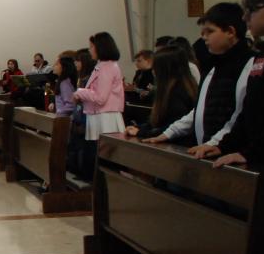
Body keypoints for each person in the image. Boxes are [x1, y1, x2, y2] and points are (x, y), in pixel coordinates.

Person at [142, 3, 254, 152]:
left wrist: (215, 143)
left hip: (228, 150)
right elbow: (200, 110)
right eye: (203, 32)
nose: (204, 37)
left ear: (230, 32)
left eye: (210, 31)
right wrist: (168, 133)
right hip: (209, 149)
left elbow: (240, 116)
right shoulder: (213, 66)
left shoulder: (249, 65)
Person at [196, 0, 264, 169]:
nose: (244, 18)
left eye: (251, 10)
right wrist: (224, 145)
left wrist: (250, 153)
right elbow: (249, 108)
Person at [73, 32, 125, 176]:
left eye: (92, 46)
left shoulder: (107, 67)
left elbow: (101, 97)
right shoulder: (103, 66)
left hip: (105, 117)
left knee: (104, 158)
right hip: (99, 115)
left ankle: (101, 186)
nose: (90, 50)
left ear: (100, 47)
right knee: (96, 156)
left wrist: (79, 92)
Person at [125, 47, 198, 139]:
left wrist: (142, 132)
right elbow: (159, 121)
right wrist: (139, 128)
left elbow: (174, 126)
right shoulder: (175, 87)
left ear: (165, 68)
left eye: (155, 66)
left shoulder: (178, 91)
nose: (153, 70)